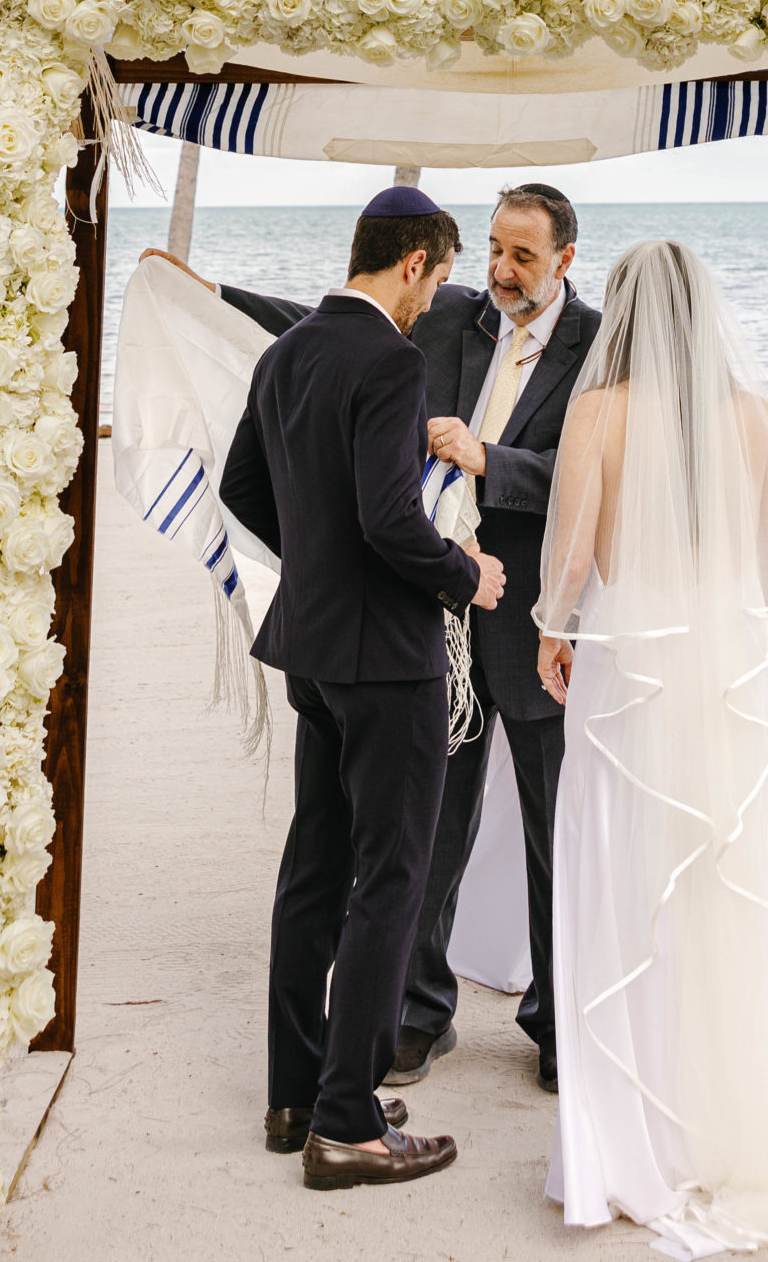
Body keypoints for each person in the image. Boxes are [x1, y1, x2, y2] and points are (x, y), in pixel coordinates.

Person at [209, 183, 601, 1097]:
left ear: (566, 263)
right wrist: (213, 295)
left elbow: (601, 468)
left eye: (522, 257)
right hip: (424, 614)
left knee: (554, 829)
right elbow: (328, 325)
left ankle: (553, 1022)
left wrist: (489, 462)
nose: (500, 271)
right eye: (494, 250)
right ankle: (417, 1015)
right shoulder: (446, 313)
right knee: (425, 833)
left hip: (538, 615)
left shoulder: (596, 346)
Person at [535, 240, 768, 1256]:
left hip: (632, 658)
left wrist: (553, 632)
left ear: (627, 313)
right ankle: (744, 1122)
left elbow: (576, 548)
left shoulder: (599, 411)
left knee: (623, 879)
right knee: (732, 877)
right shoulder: (758, 417)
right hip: (726, 658)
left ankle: (633, 1137)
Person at [216, 187, 507, 1194]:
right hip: (388, 657)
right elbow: (392, 521)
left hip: (312, 651)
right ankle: (347, 1125)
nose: (434, 300)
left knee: (315, 865)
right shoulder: (390, 360)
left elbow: (243, 489)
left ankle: (295, 1093)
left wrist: (321, 566)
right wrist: (467, 573)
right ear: (417, 261)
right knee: (392, 876)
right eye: (438, 274)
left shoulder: (285, 353)